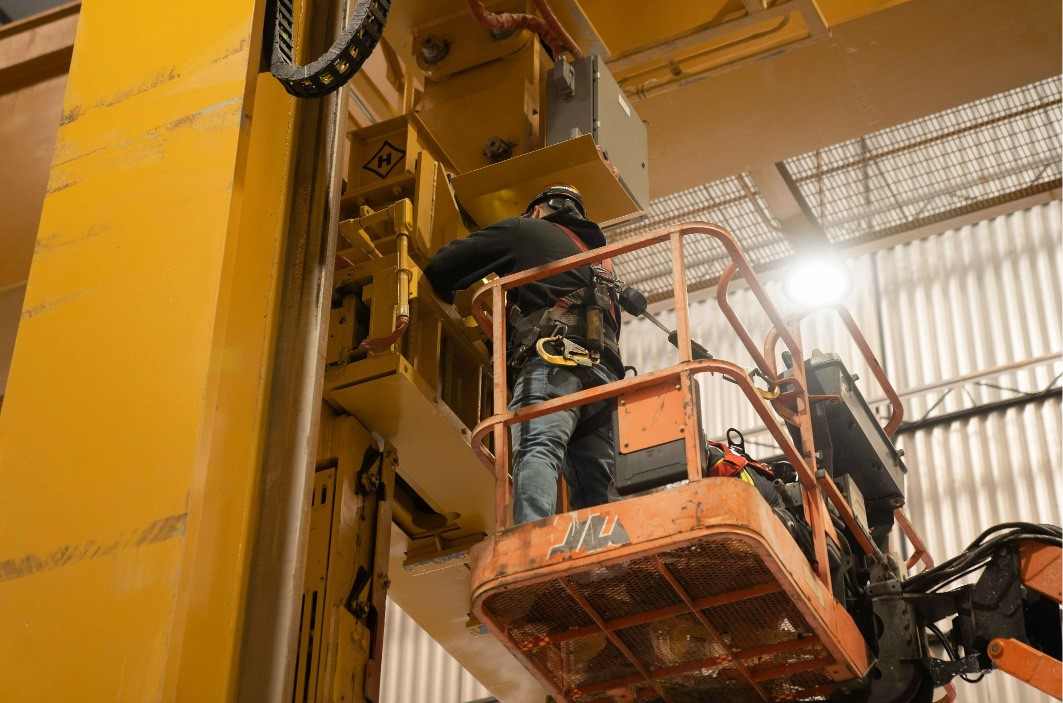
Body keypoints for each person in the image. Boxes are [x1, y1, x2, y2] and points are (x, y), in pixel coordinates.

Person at [423, 185, 623, 525]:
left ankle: (532, 541)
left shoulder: (526, 230)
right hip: (604, 382)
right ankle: (610, 564)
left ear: (537, 210)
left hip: (554, 362)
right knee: (599, 489)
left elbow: (444, 268)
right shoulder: (603, 267)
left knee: (539, 448)